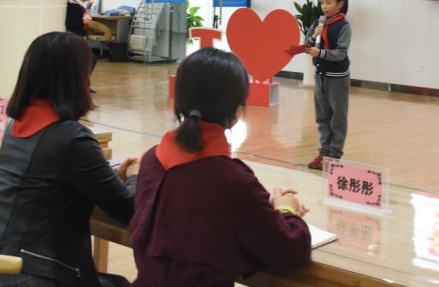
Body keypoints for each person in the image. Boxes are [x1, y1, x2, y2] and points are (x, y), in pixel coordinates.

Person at [130, 48, 311, 286]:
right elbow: (291, 250)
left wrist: (259, 205)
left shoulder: (152, 159)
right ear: (237, 111)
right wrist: (286, 208)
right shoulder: (230, 179)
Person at [0, 31, 138, 287]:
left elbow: (53, 183)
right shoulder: (72, 138)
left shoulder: (15, 124)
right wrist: (135, 177)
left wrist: (109, 178)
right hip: (33, 275)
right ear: (76, 79)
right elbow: (129, 210)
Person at [304, 0, 352, 170]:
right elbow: (306, 46)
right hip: (320, 75)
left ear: (339, 4)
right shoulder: (318, 23)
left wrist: (320, 53)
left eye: (329, 3)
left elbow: (340, 53)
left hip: (337, 78)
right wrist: (312, 38)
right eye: (322, 3)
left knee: (337, 118)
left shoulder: (343, 26)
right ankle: (323, 153)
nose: (324, 6)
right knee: (322, 117)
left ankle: (334, 156)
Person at [66, 0, 97, 92]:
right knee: (90, 59)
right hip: (73, 38)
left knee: (89, 60)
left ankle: (83, 84)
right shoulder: (73, 7)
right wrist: (84, 22)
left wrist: (83, 35)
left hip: (78, 37)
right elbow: (70, 23)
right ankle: (81, 85)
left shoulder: (78, 5)